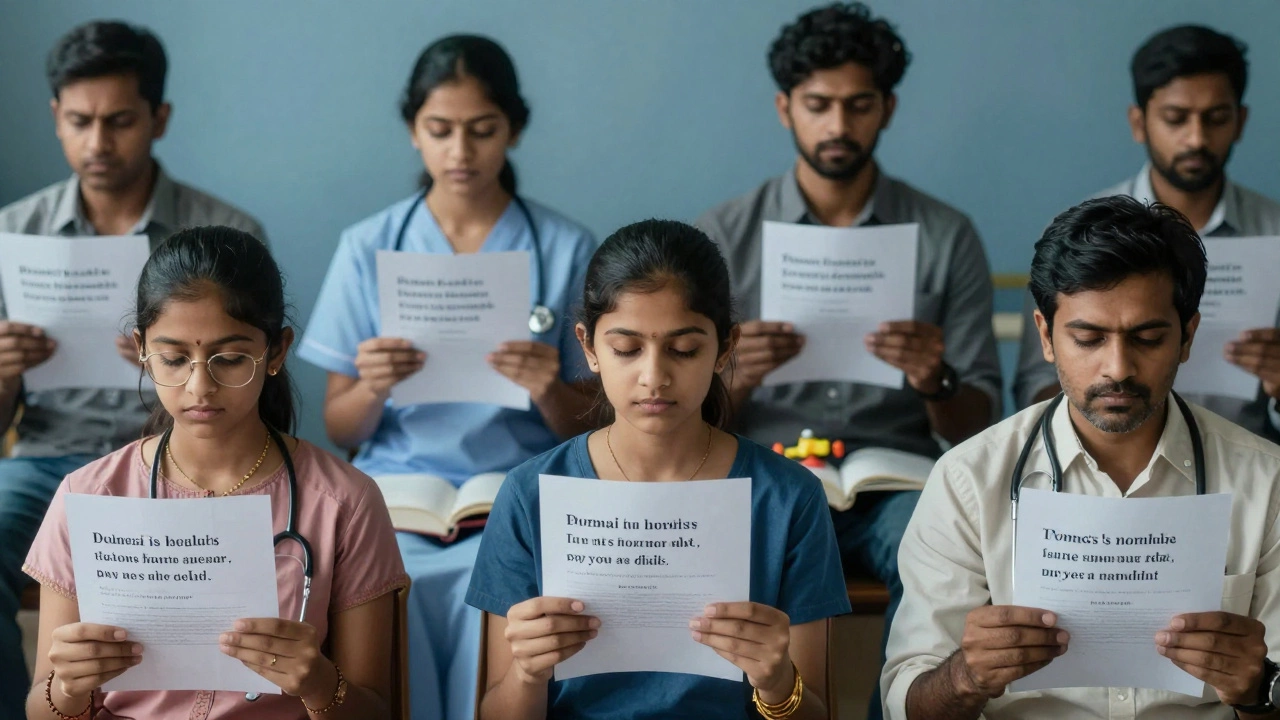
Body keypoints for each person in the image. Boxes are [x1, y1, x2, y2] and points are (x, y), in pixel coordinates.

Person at [695, 5, 1001, 715]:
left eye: (859, 105)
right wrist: (737, 377)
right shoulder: (724, 235)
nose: (838, 125)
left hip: (897, 482)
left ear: (887, 108)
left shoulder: (946, 234)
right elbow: (684, 417)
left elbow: (979, 425)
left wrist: (935, 378)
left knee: (938, 549)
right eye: (818, 105)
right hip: (766, 473)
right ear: (785, 108)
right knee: (720, 564)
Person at [885, 195, 1280, 719]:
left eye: (1147, 338)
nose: (1117, 368)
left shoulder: (1266, 481)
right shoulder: (968, 481)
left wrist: (1261, 690)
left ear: (1188, 337)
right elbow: (905, 704)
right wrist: (965, 677)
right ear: (1046, 336)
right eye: (1089, 339)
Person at [297, 35, 598, 720]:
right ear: (414, 131)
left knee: (491, 586)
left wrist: (549, 387)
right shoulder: (369, 245)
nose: (461, 152)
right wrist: (374, 384)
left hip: (516, 490)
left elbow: (590, 426)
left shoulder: (565, 246)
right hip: (397, 495)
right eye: (440, 130)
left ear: (514, 130)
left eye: (482, 130)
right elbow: (341, 426)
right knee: (390, 584)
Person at [465, 219, 851, 719]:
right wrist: (526, 674)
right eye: (626, 350)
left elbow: (817, 710)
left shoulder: (788, 497)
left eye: (684, 350)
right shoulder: (529, 494)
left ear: (725, 348)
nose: (654, 377)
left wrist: (777, 683)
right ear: (588, 347)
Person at [22, 226, 407, 719]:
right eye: (173, 358)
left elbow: (375, 710)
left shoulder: (344, 502)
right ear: (141, 350)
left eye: (230, 359)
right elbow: (41, 709)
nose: (199, 385)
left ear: (277, 351)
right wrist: (68, 688)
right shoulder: (90, 495)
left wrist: (317, 682)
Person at [0, 21, 265, 716]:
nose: (97, 142)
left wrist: (172, 362)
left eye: (119, 121)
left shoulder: (223, 235)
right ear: (55, 117)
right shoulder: (14, 233)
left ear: (159, 118)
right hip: (46, 458)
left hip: (179, 456)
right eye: (79, 121)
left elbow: (253, 386)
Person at [1014, 24, 1280, 441]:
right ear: (1139, 122)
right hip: (1105, 459)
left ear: (1240, 121)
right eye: (1176, 118)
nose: (1196, 138)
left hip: (1249, 457)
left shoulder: (1276, 233)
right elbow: (1035, 392)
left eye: (1216, 118)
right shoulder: (1076, 235)